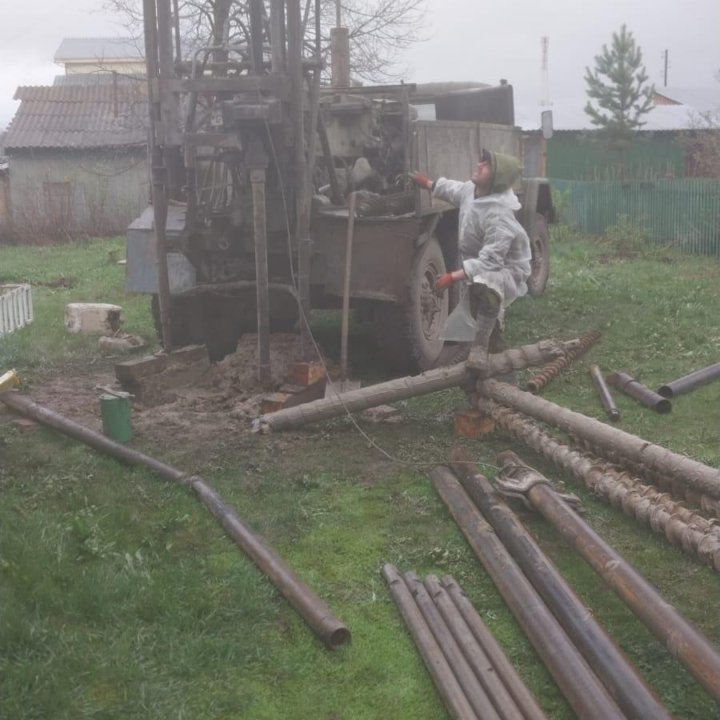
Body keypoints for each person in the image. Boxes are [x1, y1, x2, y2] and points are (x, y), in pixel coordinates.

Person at [410, 149, 531, 370]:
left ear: (496, 178)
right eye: (481, 161)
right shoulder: (471, 190)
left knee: (487, 286)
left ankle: (479, 349)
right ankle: (497, 366)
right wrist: (426, 182)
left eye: (486, 165)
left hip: (506, 267)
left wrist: (451, 277)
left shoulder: (499, 214)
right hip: (479, 261)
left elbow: (492, 261)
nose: (478, 165)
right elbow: (451, 190)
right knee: (480, 312)